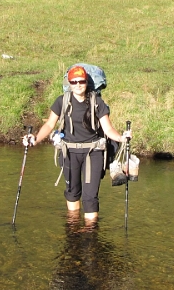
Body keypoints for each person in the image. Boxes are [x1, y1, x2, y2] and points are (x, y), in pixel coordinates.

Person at [23, 65, 131, 223]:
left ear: (86, 82)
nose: (78, 84)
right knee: (72, 192)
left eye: (81, 81)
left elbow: (108, 129)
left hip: (93, 153)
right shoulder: (62, 101)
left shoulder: (97, 102)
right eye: (74, 81)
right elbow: (49, 125)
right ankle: (73, 228)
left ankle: (90, 233)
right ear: (69, 83)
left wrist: (122, 138)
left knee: (90, 197)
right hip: (69, 153)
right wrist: (35, 139)